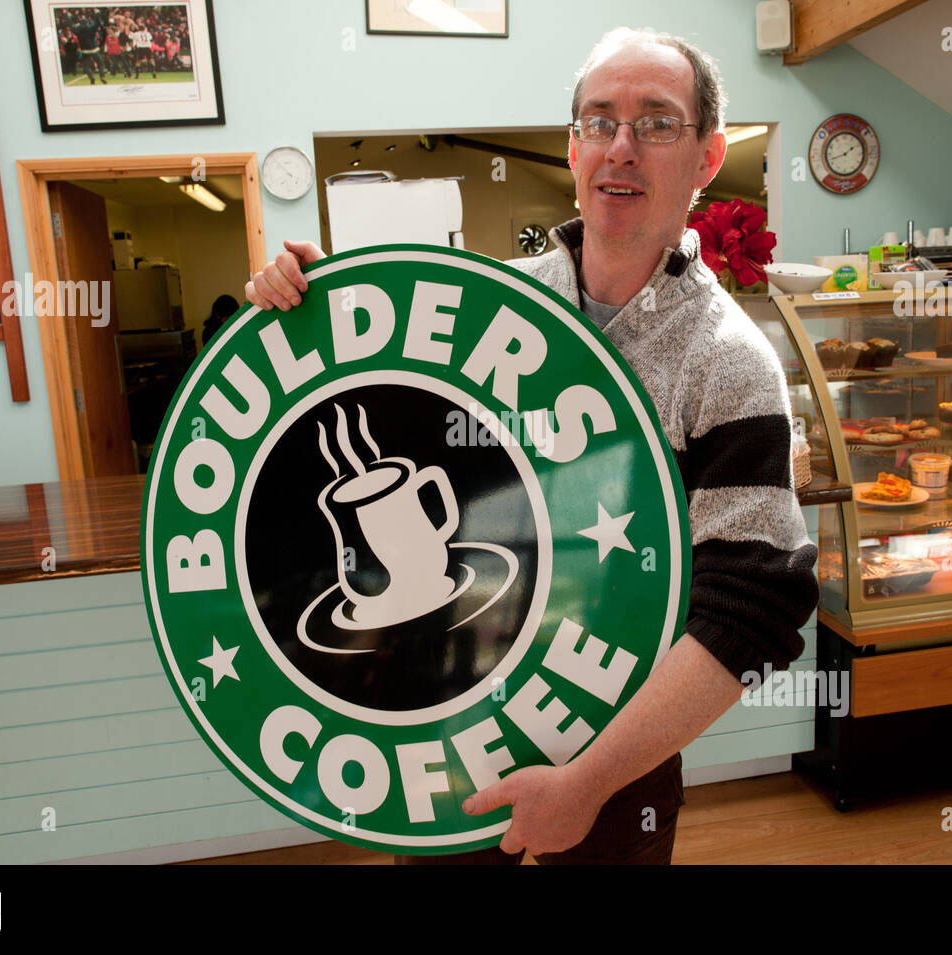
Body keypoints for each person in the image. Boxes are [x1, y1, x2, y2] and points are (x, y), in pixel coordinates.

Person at [244, 27, 818, 864]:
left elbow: (753, 608)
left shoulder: (729, 360)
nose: (621, 147)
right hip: (446, 733)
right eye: (598, 121)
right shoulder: (500, 303)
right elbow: (389, 413)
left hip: (616, 766)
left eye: (657, 123)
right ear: (573, 146)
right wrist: (315, 299)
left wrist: (586, 781)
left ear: (706, 156)